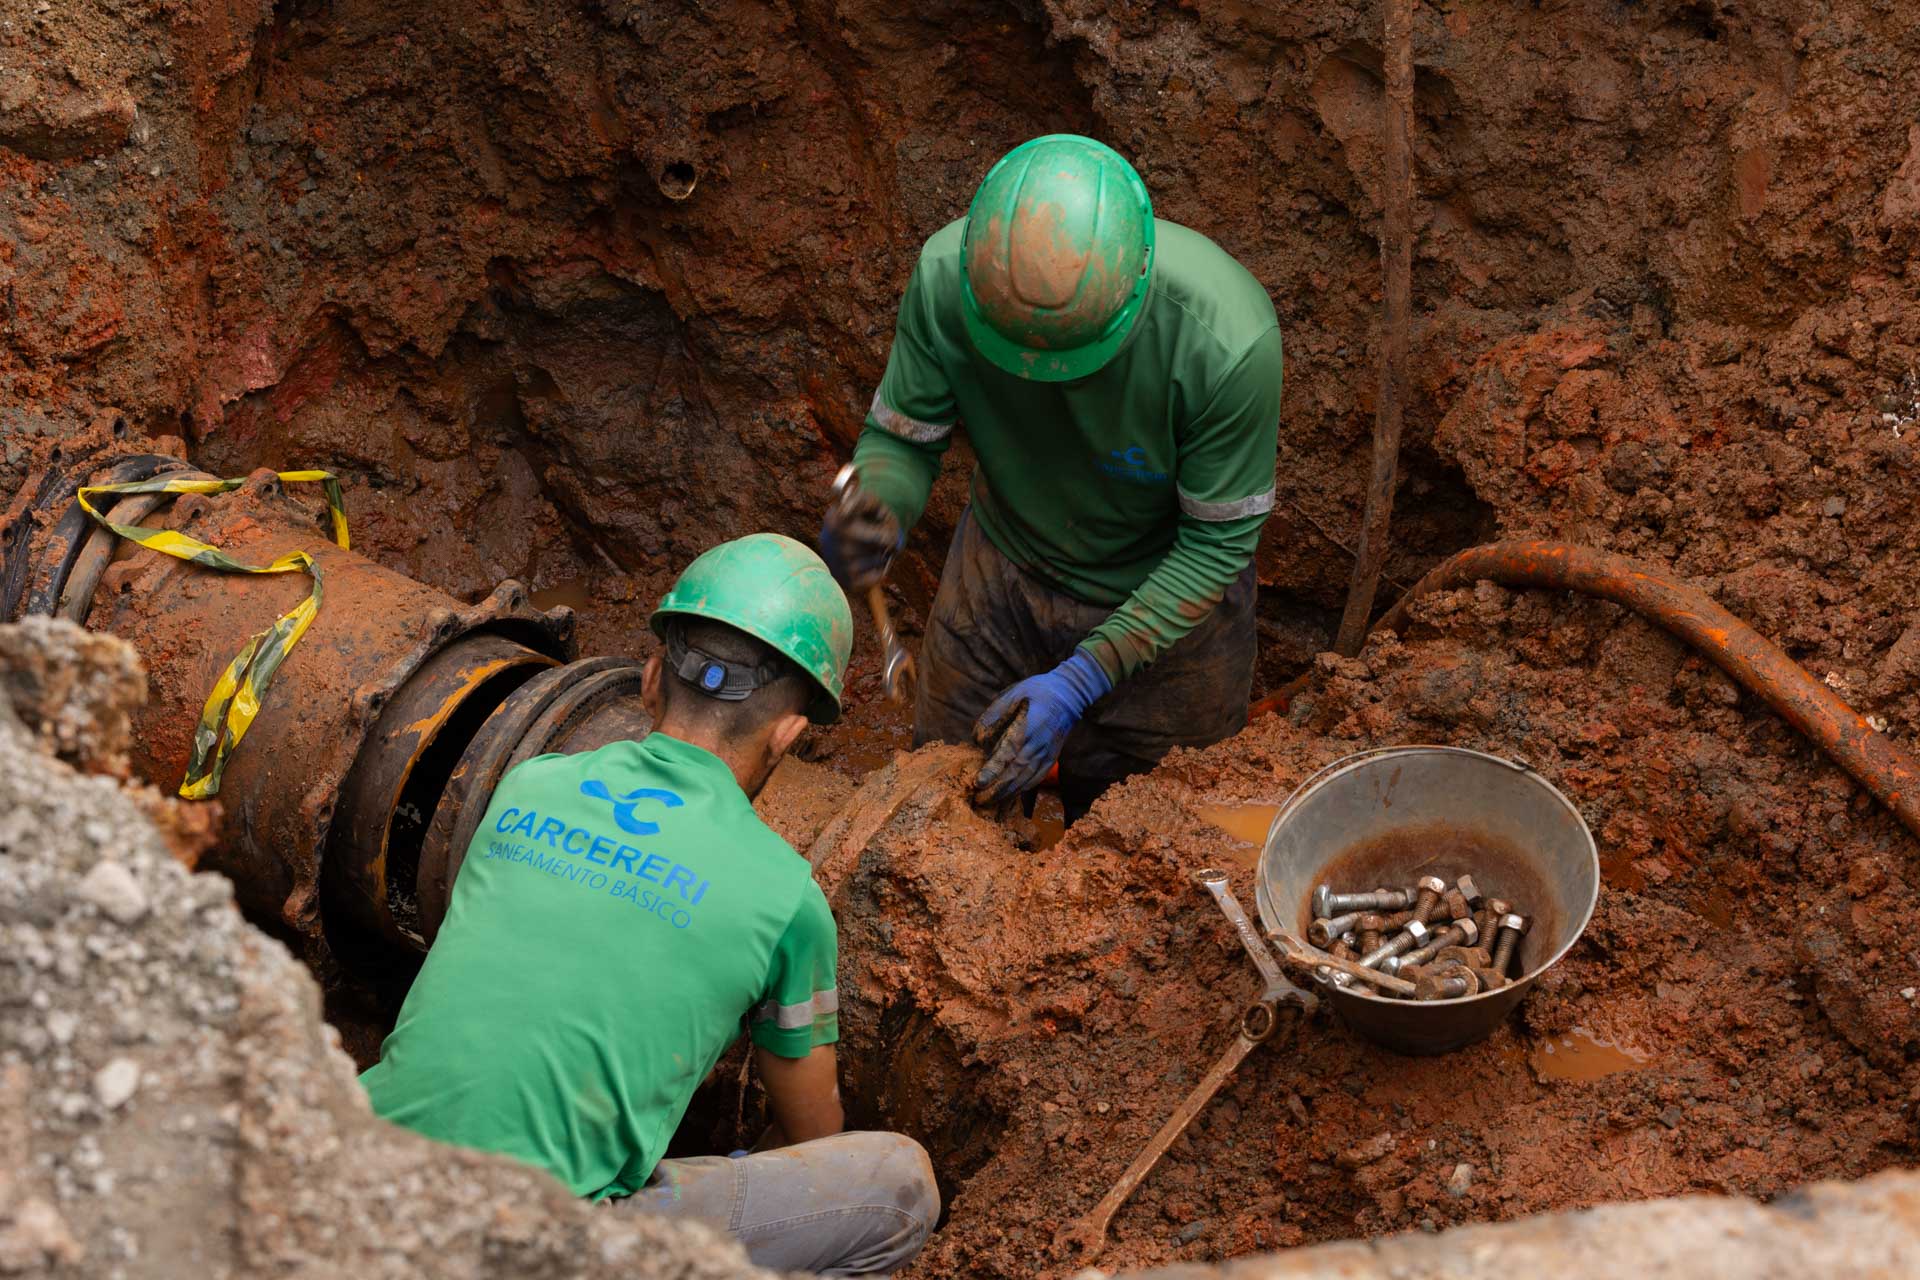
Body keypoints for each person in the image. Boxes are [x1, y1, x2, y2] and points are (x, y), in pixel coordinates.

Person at [360, 534, 939, 1276]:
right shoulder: (785, 896)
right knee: (897, 1188)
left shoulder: (529, 785)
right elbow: (813, 1137)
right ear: (791, 734)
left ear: (650, 678)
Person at [821, 133, 1283, 826]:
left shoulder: (1223, 342)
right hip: (1000, 570)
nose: (1037, 378)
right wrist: (881, 503)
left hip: (1171, 601)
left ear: (1132, 300)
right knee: (938, 817)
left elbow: (1215, 548)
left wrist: (1082, 678)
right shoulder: (948, 277)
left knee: (1153, 841)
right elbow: (901, 437)